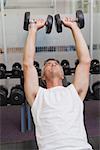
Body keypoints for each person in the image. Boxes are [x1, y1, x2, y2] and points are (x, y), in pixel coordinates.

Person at [23, 17, 93, 150]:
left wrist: (74, 26)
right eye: (48, 64)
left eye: (56, 63)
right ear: (43, 76)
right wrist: (33, 29)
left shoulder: (74, 92)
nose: (52, 64)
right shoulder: (38, 95)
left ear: (62, 74)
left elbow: (85, 61)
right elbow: (27, 64)